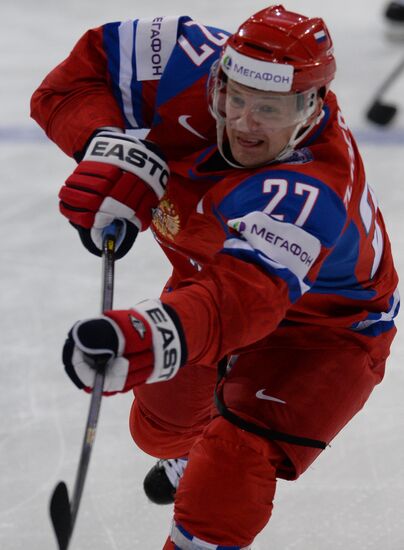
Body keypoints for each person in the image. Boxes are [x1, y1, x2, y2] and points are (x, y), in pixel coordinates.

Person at [31, 5, 399, 549]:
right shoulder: (183, 55)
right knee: (157, 430)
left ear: (312, 107)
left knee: (232, 459)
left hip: (327, 333)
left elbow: (242, 302)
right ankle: (186, 449)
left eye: (271, 110)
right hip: (207, 280)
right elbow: (73, 80)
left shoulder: (314, 188)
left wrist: (153, 336)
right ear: (220, 75)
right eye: (235, 97)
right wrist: (107, 147)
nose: (245, 123)